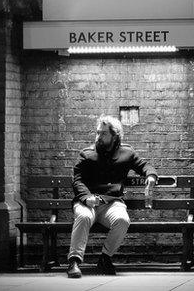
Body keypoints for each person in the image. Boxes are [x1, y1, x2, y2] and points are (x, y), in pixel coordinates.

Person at [66, 115, 158, 278]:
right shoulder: (86, 154)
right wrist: (86, 197)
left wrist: (151, 176)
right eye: (97, 133)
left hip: (113, 203)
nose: (98, 137)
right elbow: (77, 180)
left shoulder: (127, 153)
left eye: (103, 133)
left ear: (114, 135)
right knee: (84, 216)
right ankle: (74, 261)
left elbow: (145, 165)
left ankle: (105, 258)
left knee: (122, 220)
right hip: (88, 201)